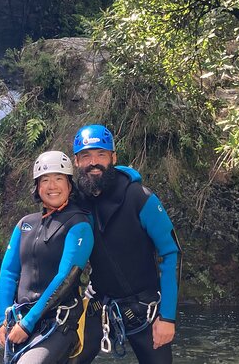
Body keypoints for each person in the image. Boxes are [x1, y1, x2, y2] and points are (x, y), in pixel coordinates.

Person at [71, 124, 181, 364]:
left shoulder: (139, 197)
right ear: (77, 161)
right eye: (86, 156)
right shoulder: (77, 202)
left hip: (146, 308)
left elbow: (170, 254)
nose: (94, 162)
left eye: (101, 154)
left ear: (113, 157)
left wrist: (168, 318)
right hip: (100, 303)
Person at [0, 150, 94, 364]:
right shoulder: (25, 224)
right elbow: (9, 272)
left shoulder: (79, 225)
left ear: (69, 185)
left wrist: (27, 324)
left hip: (59, 322)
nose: (52, 186)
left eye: (59, 179)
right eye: (45, 180)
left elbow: (65, 278)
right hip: (22, 319)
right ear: (37, 187)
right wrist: (4, 322)